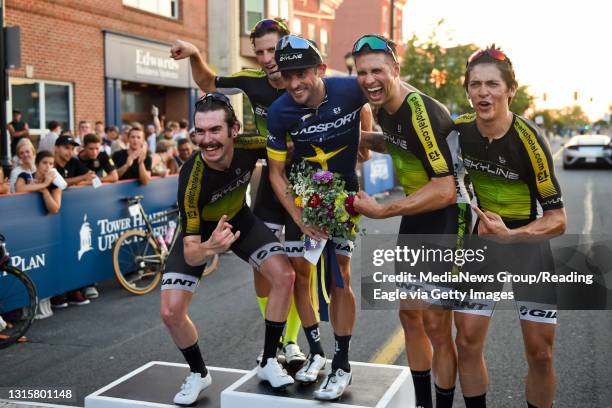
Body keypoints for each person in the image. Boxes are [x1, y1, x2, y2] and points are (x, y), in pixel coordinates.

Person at [170, 18, 308, 366]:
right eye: (259, 51)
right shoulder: (252, 82)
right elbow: (206, 81)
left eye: (272, 49)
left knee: (300, 270)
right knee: (266, 270)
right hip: (271, 181)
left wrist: (362, 139)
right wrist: (195, 54)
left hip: (307, 184)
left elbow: (349, 103)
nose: (266, 58)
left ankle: (294, 342)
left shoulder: (304, 82)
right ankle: (277, 343)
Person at [352, 35, 470, 408]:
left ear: (396, 70)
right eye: (362, 72)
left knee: (437, 326)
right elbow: (402, 144)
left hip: (449, 219)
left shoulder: (421, 110)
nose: (369, 79)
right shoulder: (384, 106)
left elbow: (446, 190)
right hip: (419, 216)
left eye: (377, 71)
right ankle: (422, 402)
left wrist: (384, 210)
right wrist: (364, 137)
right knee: (409, 316)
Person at [160, 93, 296, 405]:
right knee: (170, 312)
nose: (206, 140)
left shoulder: (251, 145)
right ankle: (198, 373)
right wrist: (211, 247)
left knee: (285, 276)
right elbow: (193, 252)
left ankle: (269, 361)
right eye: (200, 132)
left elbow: (291, 145)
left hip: (240, 220)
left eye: (214, 131)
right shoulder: (191, 179)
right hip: (203, 236)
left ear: (233, 130)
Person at [453, 46, 566, 408]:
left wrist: (511, 235)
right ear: (467, 90)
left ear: (509, 90)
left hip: (527, 248)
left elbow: (558, 220)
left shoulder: (530, 141)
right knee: (466, 342)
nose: (483, 92)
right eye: (475, 85)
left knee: (540, 353)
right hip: (483, 245)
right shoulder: (458, 133)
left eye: (492, 84)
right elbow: (403, 137)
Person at [266, 35, 370, 400]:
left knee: (340, 276)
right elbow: (276, 173)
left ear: (320, 70)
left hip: (343, 198)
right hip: (304, 200)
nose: (294, 83)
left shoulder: (349, 89)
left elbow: (367, 104)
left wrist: (364, 142)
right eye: (287, 75)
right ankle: (317, 352)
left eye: (302, 74)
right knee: (299, 274)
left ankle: (342, 364)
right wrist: (298, 213)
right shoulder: (280, 112)